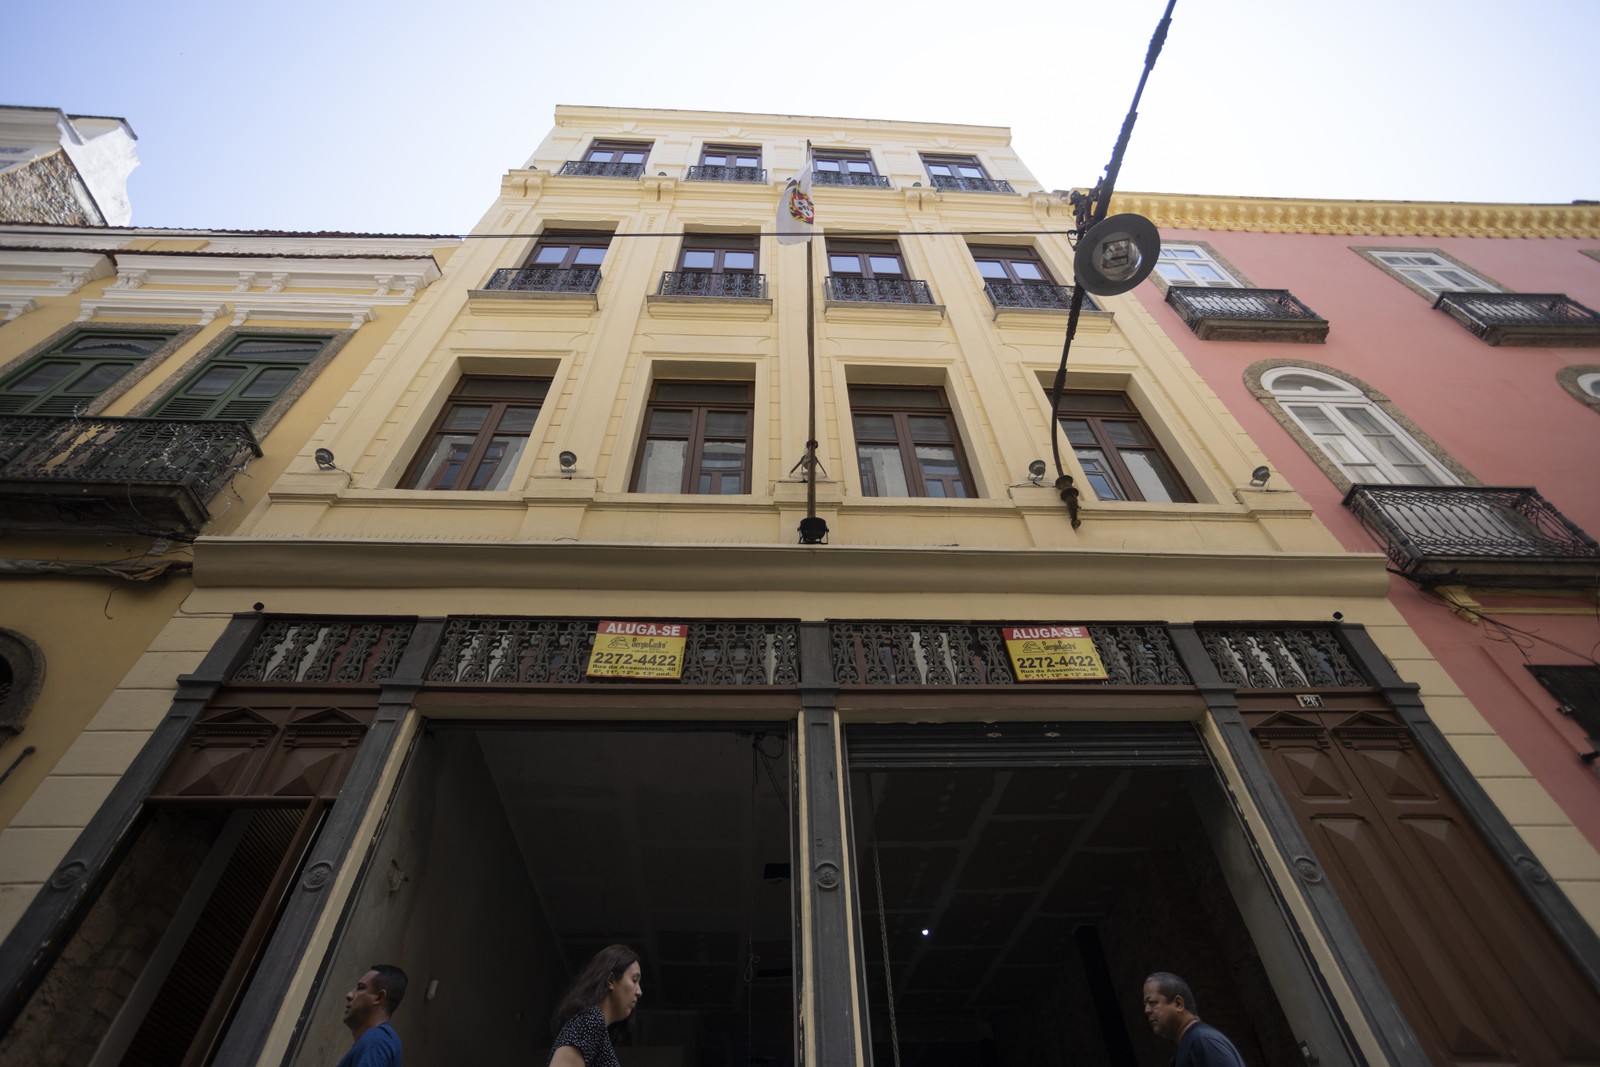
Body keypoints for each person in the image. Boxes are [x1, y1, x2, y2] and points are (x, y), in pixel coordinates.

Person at [548, 945, 643, 1067]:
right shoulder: (591, 1020)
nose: (639, 992)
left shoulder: (593, 1024)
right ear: (610, 980)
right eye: (634, 980)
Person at [1141, 971, 1246, 1067]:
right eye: (1145, 1004)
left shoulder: (1203, 1041)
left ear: (1178, 1004)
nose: (1147, 1010)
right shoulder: (1192, 1043)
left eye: (1152, 1002)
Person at [336, 963, 406, 1067]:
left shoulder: (376, 1041)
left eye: (360, 988)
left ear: (379, 997)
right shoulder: (378, 1040)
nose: (349, 995)